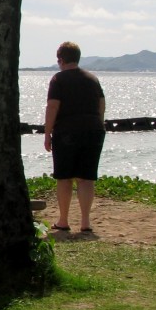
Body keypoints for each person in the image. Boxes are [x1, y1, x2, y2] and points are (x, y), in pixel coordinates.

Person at [43, 41, 106, 234]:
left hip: (67, 132)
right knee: (86, 178)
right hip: (93, 130)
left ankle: (63, 220)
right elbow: (101, 105)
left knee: (64, 178)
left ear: (61, 59)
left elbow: (53, 106)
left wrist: (47, 133)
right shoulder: (92, 79)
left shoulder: (58, 80)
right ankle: (85, 222)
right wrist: (99, 124)